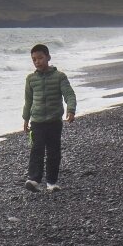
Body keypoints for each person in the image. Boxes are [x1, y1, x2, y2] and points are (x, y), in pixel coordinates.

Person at [22, 43, 77, 192]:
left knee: (53, 151)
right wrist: (26, 119)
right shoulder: (30, 79)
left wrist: (71, 110)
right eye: (34, 59)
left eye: (40, 58)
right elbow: (28, 101)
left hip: (54, 121)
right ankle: (34, 179)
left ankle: (52, 182)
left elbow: (69, 94)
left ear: (48, 57)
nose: (37, 61)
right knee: (36, 150)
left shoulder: (59, 76)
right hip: (37, 122)